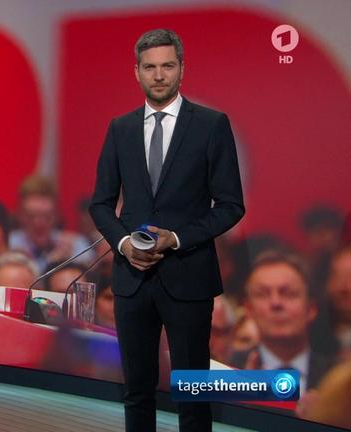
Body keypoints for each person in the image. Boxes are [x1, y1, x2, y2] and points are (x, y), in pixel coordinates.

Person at [89, 29, 245, 431]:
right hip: (132, 279)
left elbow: (231, 206)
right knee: (136, 391)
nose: (159, 75)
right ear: (137, 72)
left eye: (167, 66)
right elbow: (101, 203)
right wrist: (124, 244)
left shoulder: (211, 125)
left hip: (189, 277)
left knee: (192, 395)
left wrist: (176, 239)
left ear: (182, 69)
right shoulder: (120, 128)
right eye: (150, 67)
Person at [230, 251, 334, 397]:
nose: (276, 303)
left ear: (311, 309)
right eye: (262, 294)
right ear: (248, 309)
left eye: (288, 293)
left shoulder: (338, 378)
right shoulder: (225, 370)